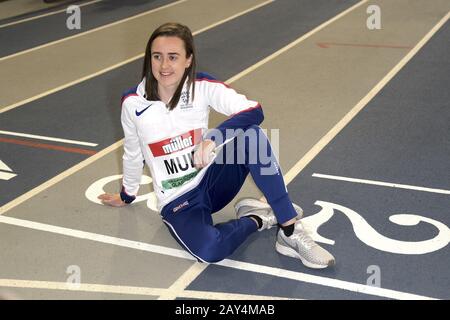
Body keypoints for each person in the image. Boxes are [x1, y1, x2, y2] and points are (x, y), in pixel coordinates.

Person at [99, 22, 335, 269]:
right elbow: (133, 152)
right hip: (178, 200)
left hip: (211, 181)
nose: (164, 66)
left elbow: (254, 110)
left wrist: (214, 137)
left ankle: (289, 231)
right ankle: (259, 218)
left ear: (188, 60)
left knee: (251, 136)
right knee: (210, 251)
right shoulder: (132, 103)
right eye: (157, 57)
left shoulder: (202, 86)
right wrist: (127, 195)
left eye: (173, 57)